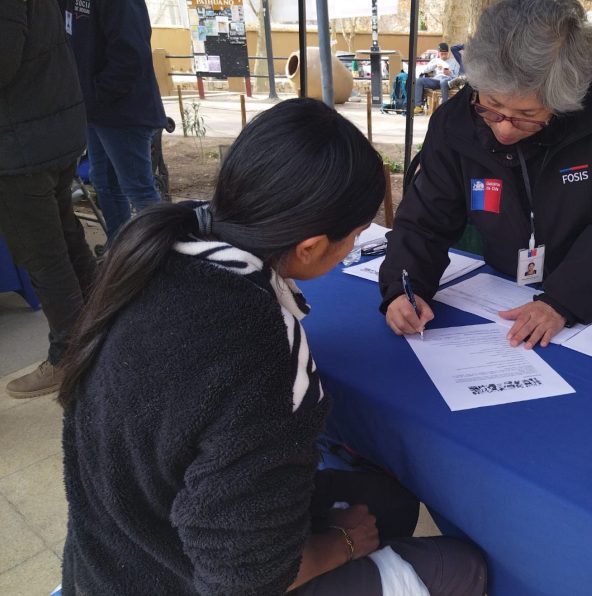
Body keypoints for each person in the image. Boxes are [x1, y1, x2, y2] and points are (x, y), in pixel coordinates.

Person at [59, 99, 487, 595]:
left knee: (387, 499)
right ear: (309, 247)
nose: (356, 245)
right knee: (462, 567)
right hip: (178, 578)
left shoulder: (154, 250)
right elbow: (244, 579)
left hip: (118, 552)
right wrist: (342, 544)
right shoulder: (259, 346)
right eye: (353, 236)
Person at [381, 0, 592, 349]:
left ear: (564, 100)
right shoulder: (456, 122)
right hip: (508, 284)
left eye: (527, 114)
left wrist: (562, 301)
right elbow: (425, 218)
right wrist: (405, 287)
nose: (505, 130)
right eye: (492, 106)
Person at [0, 0, 97, 398]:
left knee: (45, 254)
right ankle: (100, 333)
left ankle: (70, 357)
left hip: (22, 145)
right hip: (48, 132)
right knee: (66, 238)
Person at [63, 0, 168, 240]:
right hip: (94, 109)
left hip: (123, 111)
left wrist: (97, 94)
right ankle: (121, 247)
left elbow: (131, 55)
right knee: (104, 181)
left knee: (138, 189)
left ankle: (164, 255)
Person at [413, 42, 461, 114]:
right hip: (436, 80)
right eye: (442, 54)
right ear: (438, 53)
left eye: (445, 54)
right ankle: (418, 106)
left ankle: (444, 106)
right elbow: (425, 70)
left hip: (448, 80)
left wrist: (449, 73)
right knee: (419, 81)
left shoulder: (454, 61)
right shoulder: (435, 60)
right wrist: (435, 65)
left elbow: (457, 76)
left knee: (443, 81)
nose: (444, 56)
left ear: (448, 53)